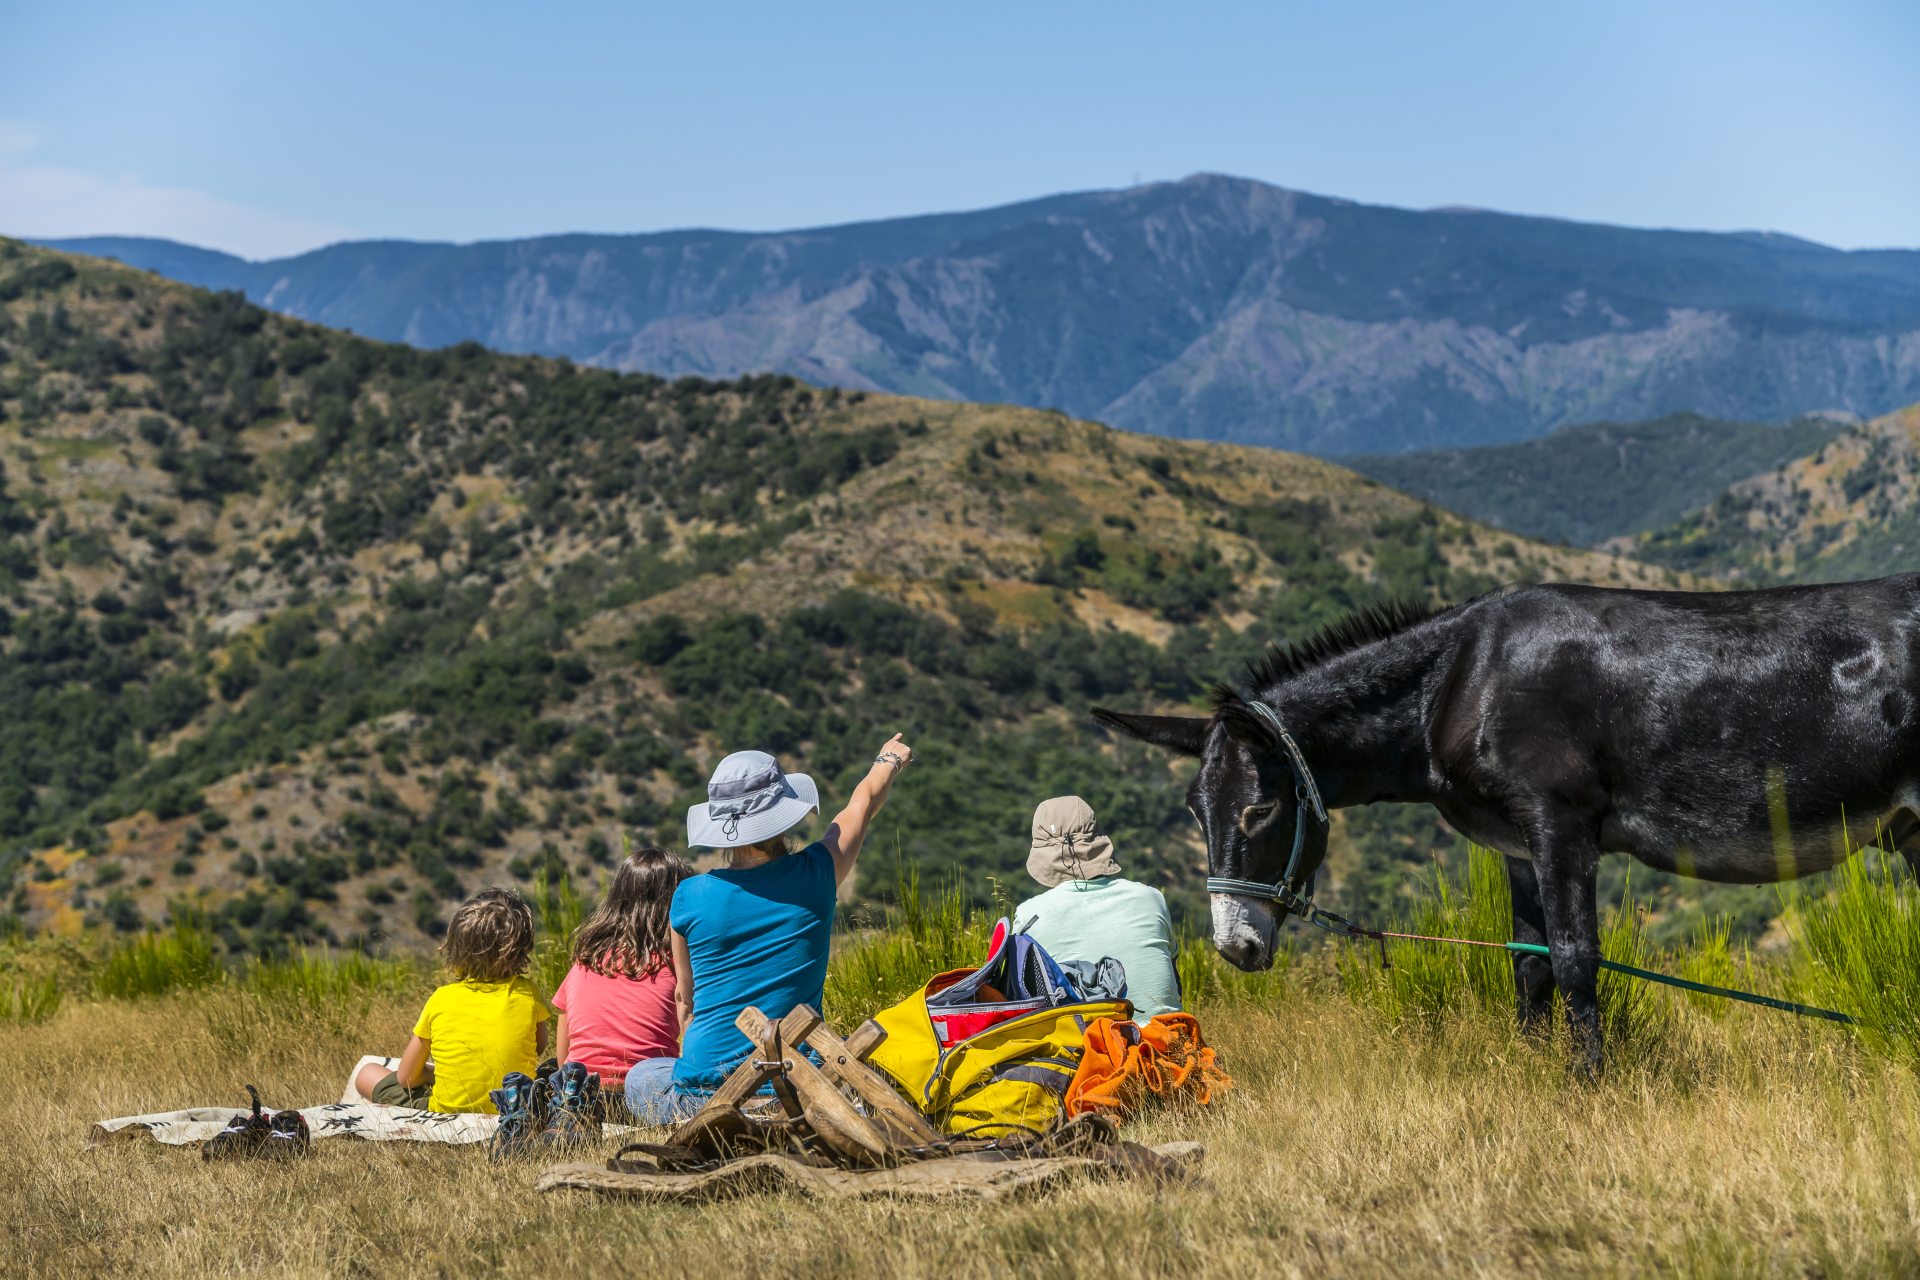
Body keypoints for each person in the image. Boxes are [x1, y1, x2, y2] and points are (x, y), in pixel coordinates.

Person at [625, 733, 914, 1125]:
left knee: (642, 1077)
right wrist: (888, 760)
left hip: (705, 1095)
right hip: (795, 1085)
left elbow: (685, 998)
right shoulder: (818, 872)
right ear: (782, 814)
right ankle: (770, 1113)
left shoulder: (688, 895)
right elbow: (861, 805)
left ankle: (722, 1117)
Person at [353, 887, 551, 1113]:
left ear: (455, 947)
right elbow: (538, 1046)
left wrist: (431, 1074)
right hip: (516, 1104)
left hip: (446, 1110)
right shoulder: (527, 992)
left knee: (368, 1072)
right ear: (521, 949)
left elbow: (406, 1077)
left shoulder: (441, 998)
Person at [1013, 795, 1180, 1024]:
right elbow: (1174, 986)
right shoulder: (1151, 898)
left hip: (1088, 1052)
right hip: (1169, 1045)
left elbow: (1024, 1002)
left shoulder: (1029, 916)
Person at [551, 846, 693, 1095]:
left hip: (580, 1091)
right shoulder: (676, 963)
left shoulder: (586, 959)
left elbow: (563, 1056)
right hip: (646, 1093)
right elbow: (694, 1037)